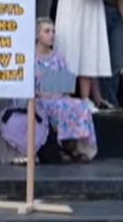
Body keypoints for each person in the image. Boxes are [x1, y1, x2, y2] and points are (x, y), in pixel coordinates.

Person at [8, 19, 96, 165]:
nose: (51, 35)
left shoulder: (58, 58)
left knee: (80, 106)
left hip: (58, 96)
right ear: (38, 35)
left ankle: (77, 148)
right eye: (47, 31)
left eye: (53, 31)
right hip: (38, 99)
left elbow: (64, 84)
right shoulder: (30, 58)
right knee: (55, 107)